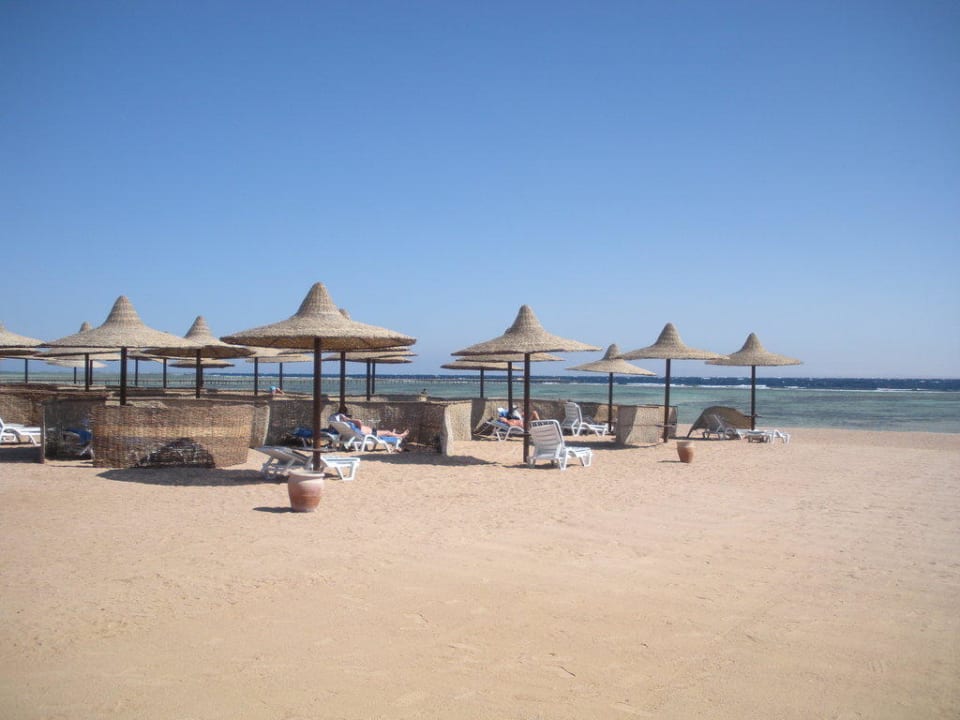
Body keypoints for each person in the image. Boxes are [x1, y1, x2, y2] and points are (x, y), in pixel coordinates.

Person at [330, 413, 408, 439]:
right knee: (387, 432)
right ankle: (400, 435)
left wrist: (347, 420)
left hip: (370, 432)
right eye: (345, 417)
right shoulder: (349, 423)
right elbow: (359, 421)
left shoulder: (346, 426)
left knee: (386, 433)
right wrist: (348, 419)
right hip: (371, 434)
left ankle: (393, 434)